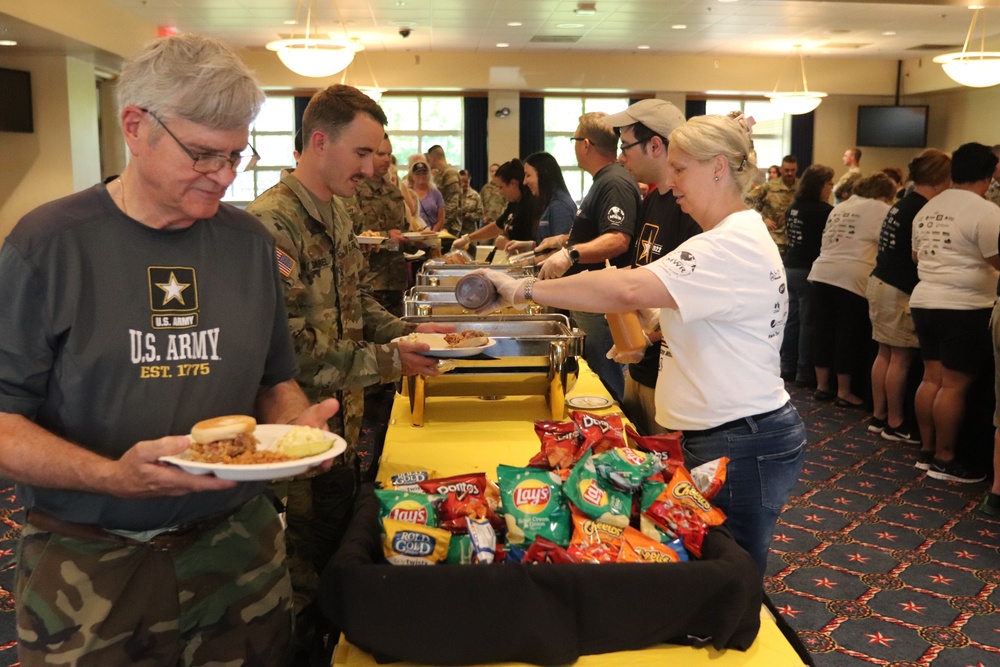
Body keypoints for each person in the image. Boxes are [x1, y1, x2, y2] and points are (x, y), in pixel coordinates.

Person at [0, 33, 341, 666]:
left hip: (236, 553)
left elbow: (275, 380)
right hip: (89, 565)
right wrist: (110, 476)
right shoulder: (48, 245)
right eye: (204, 154)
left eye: (237, 155)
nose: (224, 175)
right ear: (136, 126)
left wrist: (295, 428)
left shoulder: (247, 245)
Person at [468, 112, 806, 575]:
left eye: (681, 168)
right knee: (718, 564)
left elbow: (627, 288)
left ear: (719, 167)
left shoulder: (727, 244)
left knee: (733, 570)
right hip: (732, 431)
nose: (670, 179)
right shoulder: (731, 236)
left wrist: (521, 290)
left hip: (741, 436)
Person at [245, 84, 451, 656]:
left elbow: (355, 306)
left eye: (375, 153)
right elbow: (287, 350)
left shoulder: (337, 208)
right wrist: (393, 360)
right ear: (319, 142)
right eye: (362, 153)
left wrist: (407, 332)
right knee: (296, 582)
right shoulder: (271, 224)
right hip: (294, 431)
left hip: (345, 421)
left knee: (336, 556)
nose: (372, 168)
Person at [602, 99, 701, 435]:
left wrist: (649, 336)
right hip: (642, 371)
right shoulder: (652, 200)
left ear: (655, 145)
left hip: (672, 378)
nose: (620, 157)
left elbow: (691, 301)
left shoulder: (689, 209)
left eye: (625, 146)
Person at [535, 111, 640, 403]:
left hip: (603, 304)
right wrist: (565, 240)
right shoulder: (603, 179)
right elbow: (600, 229)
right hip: (592, 301)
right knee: (598, 375)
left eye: (574, 139)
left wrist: (571, 253)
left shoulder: (614, 181)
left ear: (586, 144)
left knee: (607, 383)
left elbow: (618, 238)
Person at [910, 142, 1000, 483]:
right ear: (989, 175)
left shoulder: (928, 208)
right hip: (963, 306)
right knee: (954, 386)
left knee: (931, 378)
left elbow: (917, 256)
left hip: (925, 300)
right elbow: (996, 259)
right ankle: (946, 459)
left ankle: (928, 451)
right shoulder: (986, 211)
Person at [866, 150, 951, 441]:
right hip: (898, 288)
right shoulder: (923, 209)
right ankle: (896, 422)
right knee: (900, 358)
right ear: (942, 180)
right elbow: (918, 256)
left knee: (885, 354)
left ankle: (879, 416)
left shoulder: (903, 204)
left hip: (880, 281)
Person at [808, 173, 897, 408]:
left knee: (823, 332)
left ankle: (822, 386)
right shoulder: (880, 208)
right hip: (852, 278)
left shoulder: (840, 207)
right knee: (846, 335)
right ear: (882, 194)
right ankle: (845, 392)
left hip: (821, 272)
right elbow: (888, 243)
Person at [780, 164, 835, 388]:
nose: (831, 188)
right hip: (808, 270)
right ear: (820, 185)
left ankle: (787, 366)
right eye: (829, 183)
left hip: (789, 267)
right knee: (808, 324)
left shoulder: (794, 206)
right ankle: (804, 371)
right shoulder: (823, 211)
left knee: (791, 322)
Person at [346, 133, 409, 316]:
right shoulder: (353, 189)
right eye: (381, 154)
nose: (387, 159)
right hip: (370, 280)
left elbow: (403, 230)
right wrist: (387, 238)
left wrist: (415, 240)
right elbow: (351, 235)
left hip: (395, 280)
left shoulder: (393, 191)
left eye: (389, 154)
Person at [451, 159, 536, 251]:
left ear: (513, 184)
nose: (500, 192)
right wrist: (467, 239)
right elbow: (497, 227)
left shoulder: (531, 205)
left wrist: (507, 245)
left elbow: (535, 246)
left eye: (501, 187)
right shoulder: (514, 203)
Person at [503, 152, 577, 255]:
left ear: (543, 175)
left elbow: (562, 251)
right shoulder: (549, 202)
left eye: (528, 175)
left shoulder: (560, 206)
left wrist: (529, 261)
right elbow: (549, 244)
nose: (524, 182)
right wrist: (529, 245)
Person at [749, 154, 798, 254]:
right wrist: (762, 218)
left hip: (794, 239)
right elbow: (747, 200)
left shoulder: (801, 188)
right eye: (787, 170)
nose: (790, 173)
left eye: (793, 170)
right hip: (773, 238)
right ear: (781, 169)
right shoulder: (770, 186)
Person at [426, 144, 463, 235]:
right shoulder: (440, 174)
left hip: (449, 227)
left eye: (429, 160)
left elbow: (453, 204)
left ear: (434, 158)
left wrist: (442, 223)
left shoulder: (450, 173)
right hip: (440, 225)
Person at [409, 160, 445, 230]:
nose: (421, 176)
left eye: (424, 173)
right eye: (418, 174)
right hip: (413, 234)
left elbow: (441, 219)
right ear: (412, 176)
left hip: (432, 234)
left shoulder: (436, 193)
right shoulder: (409, 193)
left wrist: (432, 233)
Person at [458, 168, 484, 238]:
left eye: (466, 182)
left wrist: (470, 216)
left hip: (470, 233)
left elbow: (480, 214)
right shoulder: (454, 195)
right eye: (462, 182)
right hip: (456, 231)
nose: (464, 184)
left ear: (469, 180)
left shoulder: (475, 195)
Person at [480, 162, 506, 227]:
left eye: (496, 171)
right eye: (492, 171)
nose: (494, 173)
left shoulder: (504, 187)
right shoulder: (485, 188)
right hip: (486, 222)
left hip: (500, 222)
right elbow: (480, 204)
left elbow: (507, 203)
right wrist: (483, 216)